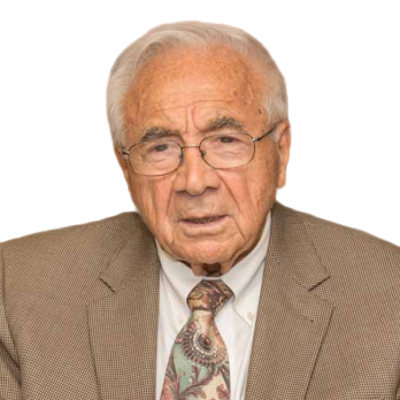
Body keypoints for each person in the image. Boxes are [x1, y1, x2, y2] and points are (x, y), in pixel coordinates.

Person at [0, 20, 399, 400]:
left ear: (282, 151)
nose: (194, 181)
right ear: (125, 169)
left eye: (226, 140)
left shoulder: (388, 297)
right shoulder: (18, 288)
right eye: (160, 147)